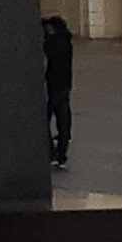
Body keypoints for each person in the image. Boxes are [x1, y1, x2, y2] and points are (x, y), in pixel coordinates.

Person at [41, 17, 74, 169]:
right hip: (63, 86)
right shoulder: (65, 42)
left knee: (47, 119)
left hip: (55, 86)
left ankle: (55, 153)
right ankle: (60, 154)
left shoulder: (51, 44)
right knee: (63, 122)